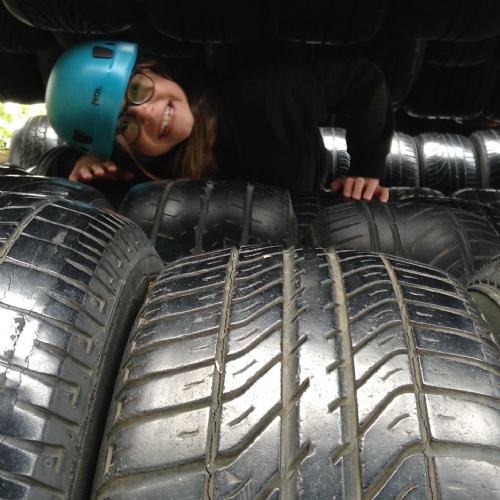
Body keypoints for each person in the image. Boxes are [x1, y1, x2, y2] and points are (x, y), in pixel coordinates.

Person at [40, 40, 394, 204]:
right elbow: (49, 165)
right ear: (121, 150)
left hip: (307, 183)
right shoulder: (136, 164)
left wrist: (367, 168)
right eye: (123, 125)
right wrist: (77, 164)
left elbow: (365, 81)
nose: (145, 113)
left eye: (137, 90)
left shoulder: (263, 97)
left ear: (155, 71)